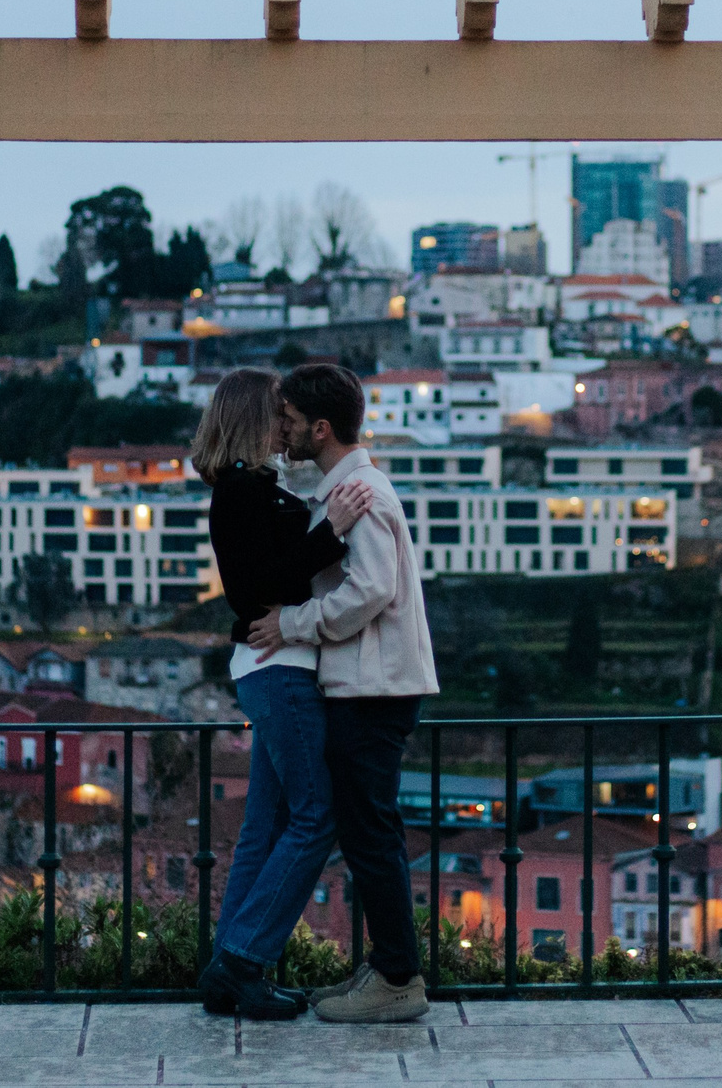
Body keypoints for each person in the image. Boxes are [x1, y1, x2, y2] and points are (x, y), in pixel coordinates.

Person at [248, 361, 439, 1023]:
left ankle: (398, 978)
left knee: (370, 834)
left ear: (321, 428)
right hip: (371, 683)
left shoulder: (360, 493)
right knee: (367, 831)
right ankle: (390, 967)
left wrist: (294, 623)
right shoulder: (353, 490)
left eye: (290, 420)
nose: (283, 430)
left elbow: (371, 588)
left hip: (372, 688)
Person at [191, 368, 355, 1019]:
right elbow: (257, 586)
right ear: (256, 418)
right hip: (279, 668)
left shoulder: (253, 486)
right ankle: (243, 959)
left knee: (265, 827)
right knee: (317, 816)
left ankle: (228, 968)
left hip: (272, 667)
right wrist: (330, 531)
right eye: (279, 413)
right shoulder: (241, 490)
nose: (286, 424)